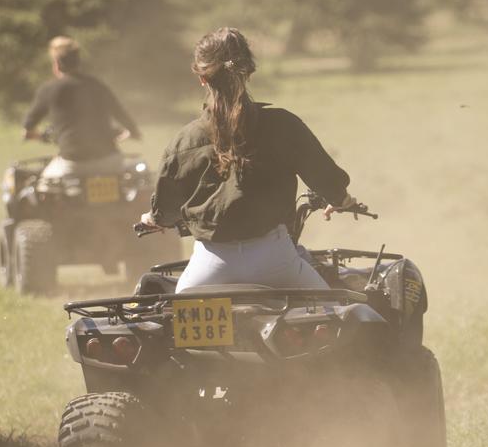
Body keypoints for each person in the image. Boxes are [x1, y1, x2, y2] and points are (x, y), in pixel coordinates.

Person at [140, 27, 358, 292]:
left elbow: (167, 206)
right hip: (275, 261)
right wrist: (342, 201)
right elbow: (325, 177)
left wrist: (154, 218)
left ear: (202, 79)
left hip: (209, 267)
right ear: (249, 73)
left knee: (172, 324)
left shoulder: (184, 140)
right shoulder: (284, 125)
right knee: (331, 314)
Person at [22, 36, 141, 179]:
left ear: (57, 64)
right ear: (78, 63)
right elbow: (125, 119)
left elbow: (28, 127)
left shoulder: (49, 89)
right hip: (110, 162)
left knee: (41, 186)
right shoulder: (97, 85)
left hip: (73, 164)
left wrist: (42, 136)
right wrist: (130, 133)